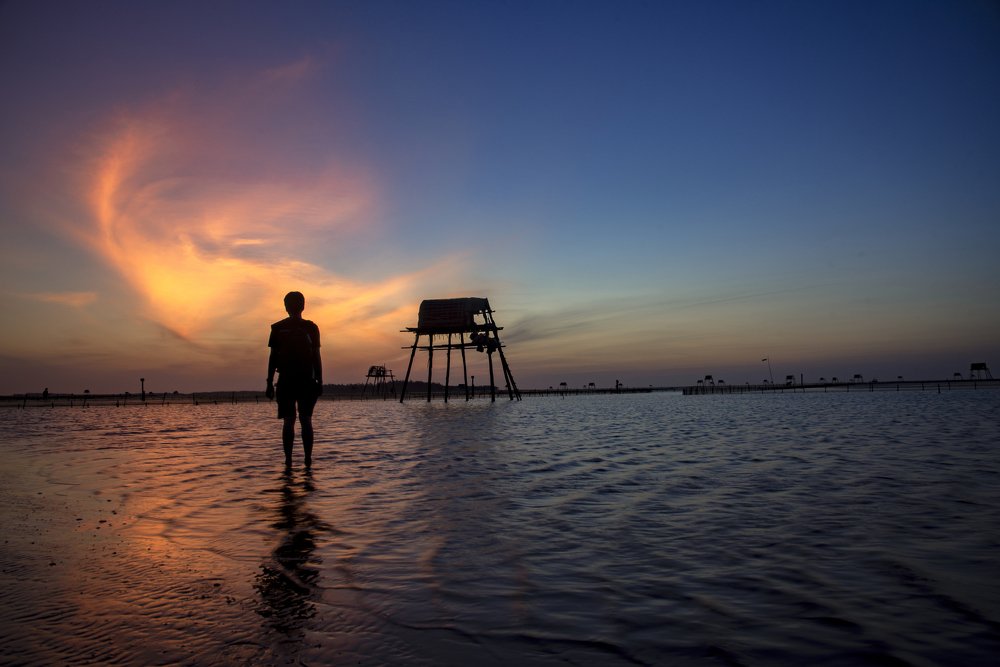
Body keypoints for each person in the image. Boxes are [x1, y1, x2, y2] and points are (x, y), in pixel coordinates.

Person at [266, 291, 323, 468]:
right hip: (307, 379)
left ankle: (288, 461)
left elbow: (273, 357)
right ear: (303, 306)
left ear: (286, 307)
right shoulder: (311, 327)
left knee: (288, 421)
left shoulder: (277, 328)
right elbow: (316, 356)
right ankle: (307, 460)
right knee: (306, 420)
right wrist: (320, 380)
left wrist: (269, 382)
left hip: (286, 380)